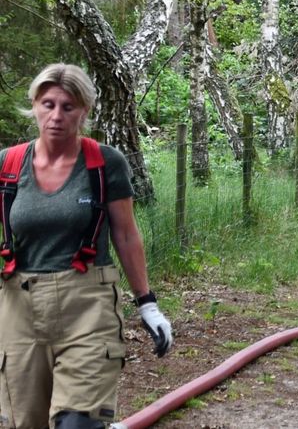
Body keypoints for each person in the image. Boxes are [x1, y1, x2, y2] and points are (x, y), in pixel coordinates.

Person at [0, 64, 172, 429]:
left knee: (79, 422)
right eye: (48, 104)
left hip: (88, 303)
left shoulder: (104, 163)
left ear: (85, 111)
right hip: (19, 305)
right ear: (34, 105)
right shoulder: (8, 165)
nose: (57, 116)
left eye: (68, 106)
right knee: (24, 421)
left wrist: (148, 304)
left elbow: (125, 234)